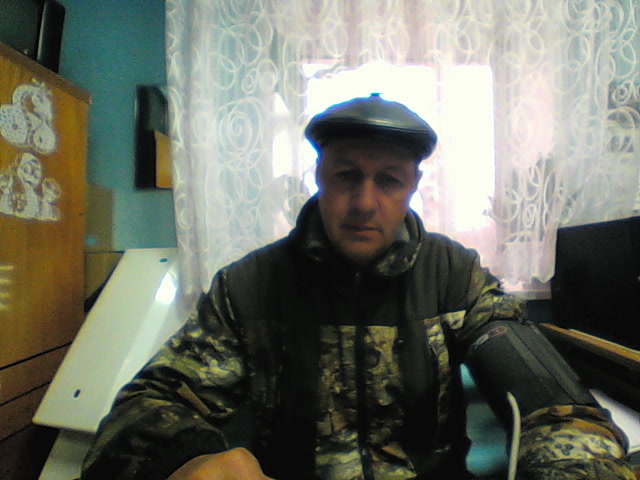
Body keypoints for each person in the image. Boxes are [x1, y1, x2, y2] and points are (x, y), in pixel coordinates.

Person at [81, 94, 635, 480]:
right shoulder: (248, 287)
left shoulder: (455, 275)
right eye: (346, 175)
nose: (365, 202)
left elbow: (552, 401)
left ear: (413, 186)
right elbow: (145, 408)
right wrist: (190, 460)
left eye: (388, 180)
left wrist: (575, 463)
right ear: (319, 175)